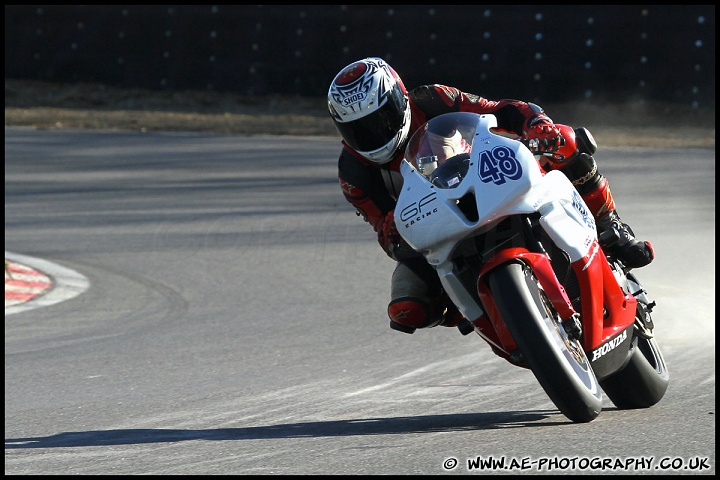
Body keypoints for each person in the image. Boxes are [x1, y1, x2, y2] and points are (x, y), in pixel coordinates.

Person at [327, 57, 654, 335]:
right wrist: (390, 232)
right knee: (407, 308)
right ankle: (471, 306)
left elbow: (503, 109)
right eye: (360, 129)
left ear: (399, 99)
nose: (375, 133)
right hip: (438, 229)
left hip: (488, 178)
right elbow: (387, 236)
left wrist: (536, 124)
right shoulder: (352, 173)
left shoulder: (434, 99)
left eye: (381, 119)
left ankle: (611, 225)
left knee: (563, 142)